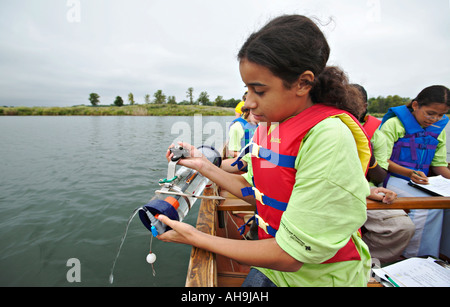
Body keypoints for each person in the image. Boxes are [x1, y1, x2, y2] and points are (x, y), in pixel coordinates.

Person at [157, 15, 372, 287]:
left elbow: (292, 255)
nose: (248, 102)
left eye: (258, 90)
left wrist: (194, 237)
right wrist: (202, 165)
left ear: (303, 83)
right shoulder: (271, 127)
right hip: (273, 267)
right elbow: (253, 189)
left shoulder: (329, 137)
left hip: (314, 277)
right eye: (246, 89)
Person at [378, 85, 450, 259]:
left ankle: (441, 256)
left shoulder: (438, 131)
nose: (434, 119)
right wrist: (410, 173)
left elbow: (439, 165)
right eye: (430, 113)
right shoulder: (394, 124)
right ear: (416, 105)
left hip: (421, 182)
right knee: (427, 205)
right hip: (391, 179)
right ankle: (415, 257)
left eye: (440, 115)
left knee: (445, 205)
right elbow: (382, 161)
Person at [352, 84, 415, 263]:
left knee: (403, 227)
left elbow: (380, 177)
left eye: (355, 103)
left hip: (367, 189)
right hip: (335, 191)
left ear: (364, 106)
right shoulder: (329, 128)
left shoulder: (377, 136)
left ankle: (368, 261)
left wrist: (369, 157)